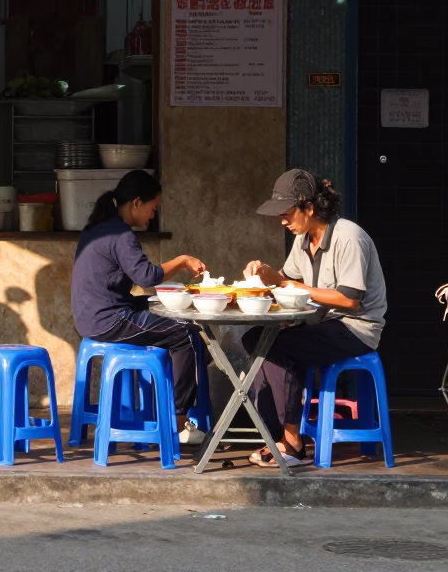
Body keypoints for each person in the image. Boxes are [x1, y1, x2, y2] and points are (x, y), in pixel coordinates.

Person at [242, 169, 387, 468]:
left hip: (356, 328)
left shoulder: (349, 237)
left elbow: (349, 299)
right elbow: (288, 280)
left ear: (308, 207)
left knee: (282, 348)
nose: (283, 220)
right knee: (255, 338)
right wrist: (266, 275)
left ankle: (293, 443)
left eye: (287, 212)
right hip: (321, 323)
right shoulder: (302, 238)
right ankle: (276, 437)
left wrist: (290, 286)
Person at [71, 169, 209, 444]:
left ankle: (181, 397)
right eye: (152, 208)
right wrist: (182, 261)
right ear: (136, 202)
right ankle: (181, 422)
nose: (152, 216)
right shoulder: (121, 233)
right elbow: (146, 276)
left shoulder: (99, 226)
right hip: (109, 319)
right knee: (187, 335)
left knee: (157, 305)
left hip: (92, 316)